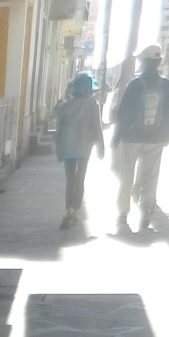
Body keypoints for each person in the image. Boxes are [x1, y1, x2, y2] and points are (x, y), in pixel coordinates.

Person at [111, 44, 169, 234]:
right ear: (158, 62)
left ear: (144, 62)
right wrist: (167, 135)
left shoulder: (134, 84)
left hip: (131, 137)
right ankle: (146, 210)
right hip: (156, 138)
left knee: (126, 175)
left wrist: (116, 137)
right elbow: (168, 112)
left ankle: (123, 212)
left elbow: (122, 113)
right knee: (150, 175)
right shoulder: (165, 85)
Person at [54, 72, 105, 229]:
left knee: (70, 181)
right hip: (84, 148)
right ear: (89, 89)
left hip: (68, 148)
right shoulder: (93, 105)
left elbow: (59, 130)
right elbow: (97, 127)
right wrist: (100, 147)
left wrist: (59, 150)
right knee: (80, 179)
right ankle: (76, 211)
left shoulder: (65, 106)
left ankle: (68, 210)